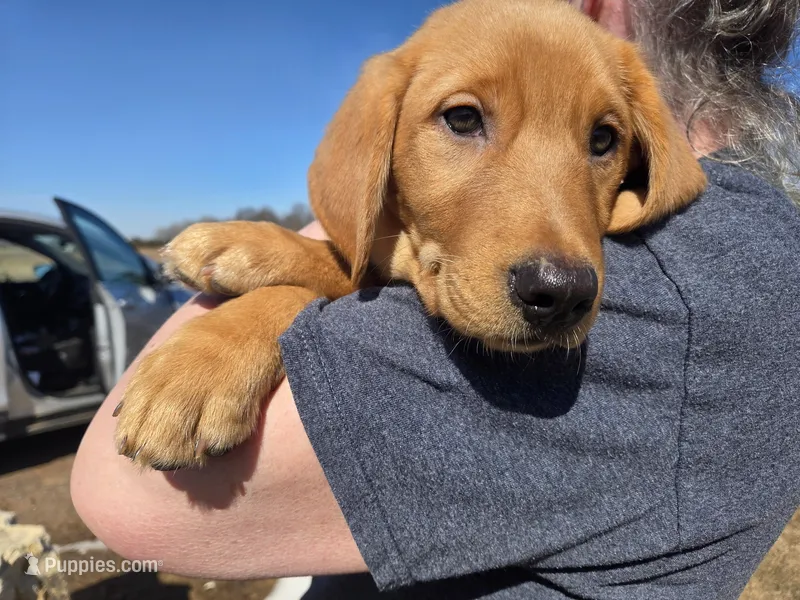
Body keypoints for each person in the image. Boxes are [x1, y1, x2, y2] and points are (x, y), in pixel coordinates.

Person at [70, 0, 800, 598]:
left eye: (602, 140)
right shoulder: (752, 241)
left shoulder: (689, 286)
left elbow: (130, 495)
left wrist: (313, 272)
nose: (562, 264)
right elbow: (385, 252)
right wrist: (316, 269)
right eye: (464, 119)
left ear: (597, 6)